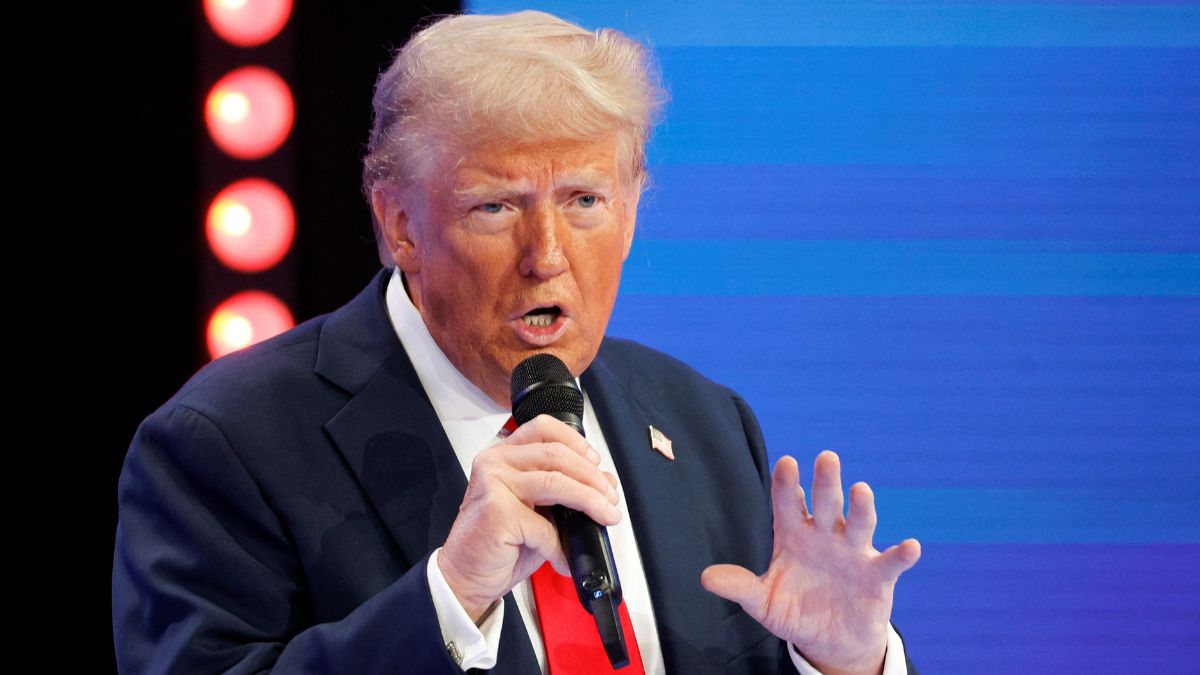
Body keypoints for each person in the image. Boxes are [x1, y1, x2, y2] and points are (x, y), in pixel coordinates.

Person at [112, 10, 921, 675]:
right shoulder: (226, 445)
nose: (547, 255)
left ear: (634, 208)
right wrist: (451, 596)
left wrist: (842, 663)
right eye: (496, 207)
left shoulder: (705, 423)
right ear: (399, 224)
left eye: (584, 200)